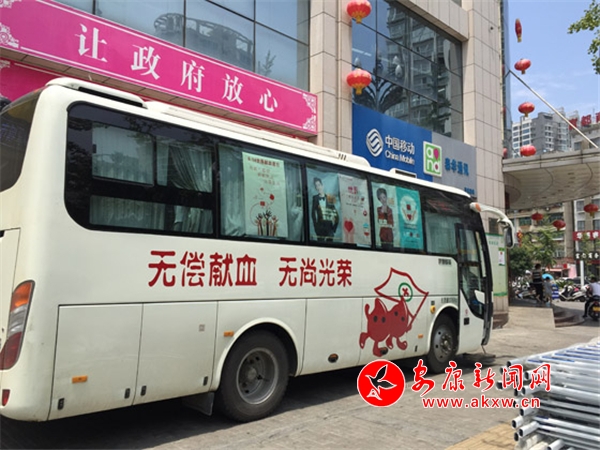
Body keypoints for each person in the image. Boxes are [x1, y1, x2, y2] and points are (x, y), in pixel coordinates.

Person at [311, 177, 339, 242]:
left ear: (322, 185)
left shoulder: (329, 198)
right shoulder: (315, 198)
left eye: (319, 185)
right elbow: (313, 214)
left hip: (329, 228)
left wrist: (334, 228)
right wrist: (316, 228)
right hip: (320, 229)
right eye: (316, 186)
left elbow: (336, 214)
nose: (318, 187)